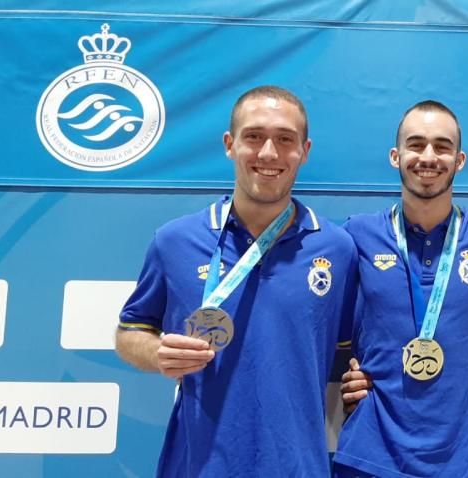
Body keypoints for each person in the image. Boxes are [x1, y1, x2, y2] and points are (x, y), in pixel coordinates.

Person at [114, 85, 358, 477]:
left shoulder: (337, 248)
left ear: (304, 151)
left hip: (298, 467)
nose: (268, 153)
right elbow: (129, 333)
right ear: (230, 144)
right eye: (254, 137)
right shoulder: (175, 241)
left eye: (284, 140)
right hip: (198, 466)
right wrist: (157, 352)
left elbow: (350, 352)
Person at [333, 100, 468, 477]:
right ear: (396, 155)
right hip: (371, 456)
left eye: (442, 146)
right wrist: (345, 369)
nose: (428, 156)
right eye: (416, 144)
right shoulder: (357, 235)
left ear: (460, 160)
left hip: (465, 460)